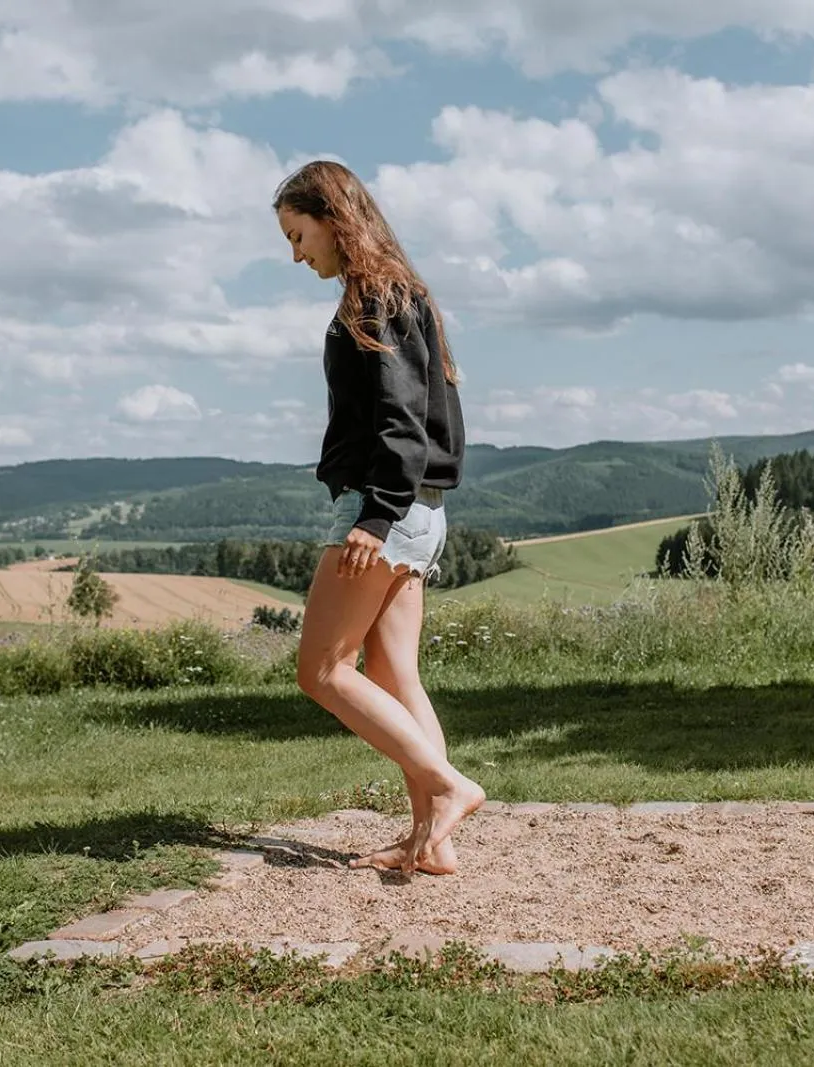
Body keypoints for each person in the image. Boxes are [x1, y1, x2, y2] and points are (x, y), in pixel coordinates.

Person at [274, 159, 485, 876]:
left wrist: (373, 515)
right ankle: (434, 840)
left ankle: (451, 786)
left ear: (334, 219)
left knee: (321, 669)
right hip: (419, 512)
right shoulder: (399, 290)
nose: (297, 254)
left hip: (384, 509)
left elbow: (401, 420)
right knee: (396, 674)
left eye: (300, 235)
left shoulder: (374, 295)